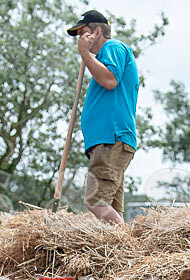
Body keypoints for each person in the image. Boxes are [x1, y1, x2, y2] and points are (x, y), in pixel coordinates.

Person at [67, 10, 139, 225]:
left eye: (84, 33)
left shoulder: (113, 47)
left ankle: (130, 247)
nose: (81, 39)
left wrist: (86, 55)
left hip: (111, 137)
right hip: (106, 141)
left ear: (97, 31)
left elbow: (110, 81)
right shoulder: (101, 58)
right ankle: (122, 253)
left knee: (96, 201)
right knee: (110, 210)